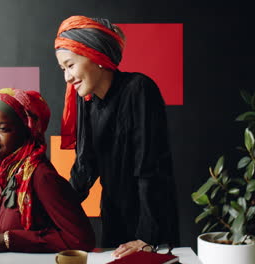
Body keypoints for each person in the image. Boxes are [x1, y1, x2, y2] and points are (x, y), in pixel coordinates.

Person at [55, 15, 179, 258]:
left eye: (70, 65)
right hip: (112, 218)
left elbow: (150, 168)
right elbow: (84, 167)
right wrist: (57, 212)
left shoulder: (139, 89)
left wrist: (148, 237)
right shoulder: (86, 100)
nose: (67, 78)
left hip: (151, 222)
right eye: (63, 69)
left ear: (96, 56)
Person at [0, 88, 95, 254]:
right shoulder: (2, 172)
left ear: (26, 132)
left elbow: (81, 239)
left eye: (4, 129)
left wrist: (8, 240)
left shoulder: (41, 176)